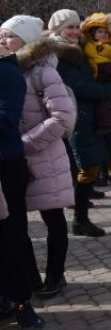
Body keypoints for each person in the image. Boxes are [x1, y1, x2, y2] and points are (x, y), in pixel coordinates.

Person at [49, 9, 111, 236]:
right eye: (69, 27)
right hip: (83, 120)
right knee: (89, 170)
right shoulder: (59, 56)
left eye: (77, 27)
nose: (74, 31)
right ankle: (80, 220)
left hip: (103, 115)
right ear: (58, 30)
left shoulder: (83, 48)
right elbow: (81, 87)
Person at [0, 16, 76, 298]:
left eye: (9, 36)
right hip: (16, 161)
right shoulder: (7, 72)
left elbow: (62, 119)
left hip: (44, 158)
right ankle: (29, 277)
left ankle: (56, 275)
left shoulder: (44, 73)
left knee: (53, 217)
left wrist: (25, 143)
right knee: (17, 222)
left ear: (27, 40)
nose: (3, 41)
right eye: (1, 36)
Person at [0, 16, 45, 330]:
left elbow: (5, 120)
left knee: (10, 235)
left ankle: (21, 302)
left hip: (5, 163)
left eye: (8, 37)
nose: (2, 41)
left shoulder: (8, 74)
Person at [81, 15, 111, 134]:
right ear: (93, 33)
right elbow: (92, 58)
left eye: (105, 32)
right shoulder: (89, 46)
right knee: (101, 105)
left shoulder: (110, 47)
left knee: (108, 104)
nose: (103, 34)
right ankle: (105, 125)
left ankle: (109, 124)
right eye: (100, 32)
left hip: (109, 77)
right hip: (97, 77)